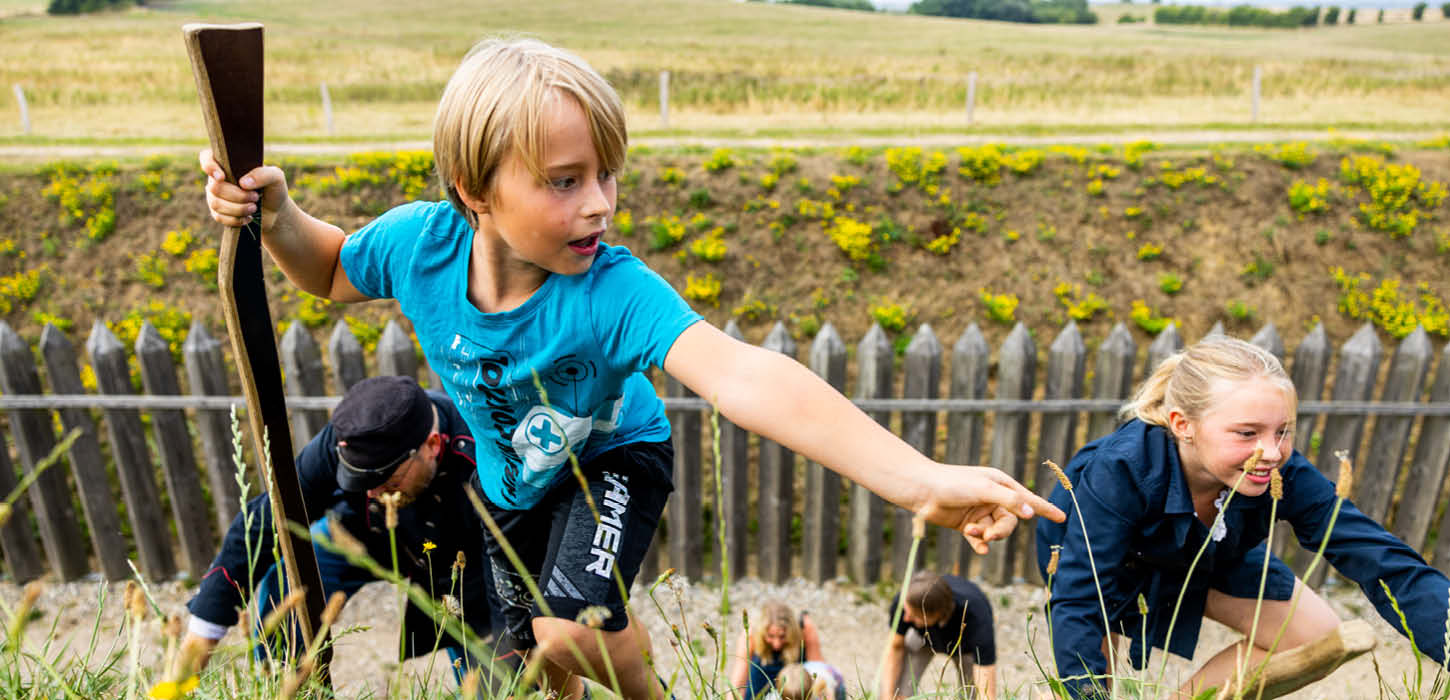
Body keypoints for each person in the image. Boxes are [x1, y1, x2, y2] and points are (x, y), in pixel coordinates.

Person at [199, 37, 1064, 700]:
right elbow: (328, 268)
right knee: (519, 669)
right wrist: (275, 216)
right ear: (473, 189)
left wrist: (915, 481)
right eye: (566, 181)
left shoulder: (612, 289)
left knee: (569, 628)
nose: (601, 203)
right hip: (510, 492)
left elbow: (742, 375)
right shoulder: (419, 248)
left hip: (613, 459)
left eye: (607, 174)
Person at [1036, 336, 1450, 698]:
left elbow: (1385, 563)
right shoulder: (1121, 470)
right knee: (1089, 677)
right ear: (1183, 425)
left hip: (1210, 553)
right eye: (1248, 433)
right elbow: (1079, 599)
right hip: (1105, 565)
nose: (1270, 452)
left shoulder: (1278, 472)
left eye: (1282, 431)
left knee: (1316, 635)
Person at [183, 375, 492, 680]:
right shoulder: (350, 436)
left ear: (432, 446)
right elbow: (264, 523)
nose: (371, 493)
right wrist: (202, 632)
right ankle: (288, 682)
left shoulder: (484, 453)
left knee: (493, 675)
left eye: (387, 481)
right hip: (363, 536)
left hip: (462, 565)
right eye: (362, 483)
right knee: (288, 583)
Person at [878, 571, 997, 700]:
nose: (906, 619)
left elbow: (986, 689)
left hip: (965, 646)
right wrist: (887, 695)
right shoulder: (906, 601)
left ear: (933, 614)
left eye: (913, 616)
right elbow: (896, 647)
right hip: (921, 637)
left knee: (971, 695)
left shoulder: (976, 616)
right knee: (898, 693)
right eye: (906, 612)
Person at [728, 601, 830, 699]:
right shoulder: (750, 634)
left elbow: (818, 668)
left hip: (796, 680)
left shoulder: (804, 627)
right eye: (770, 636)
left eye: (782, 636)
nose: (776, 644)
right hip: (761, 679)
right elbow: (739, 680)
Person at [774, 660, 846, 700]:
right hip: (806, 668)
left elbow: (831, 696)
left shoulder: (822, 685)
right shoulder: (781, 692)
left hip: (834, 678)